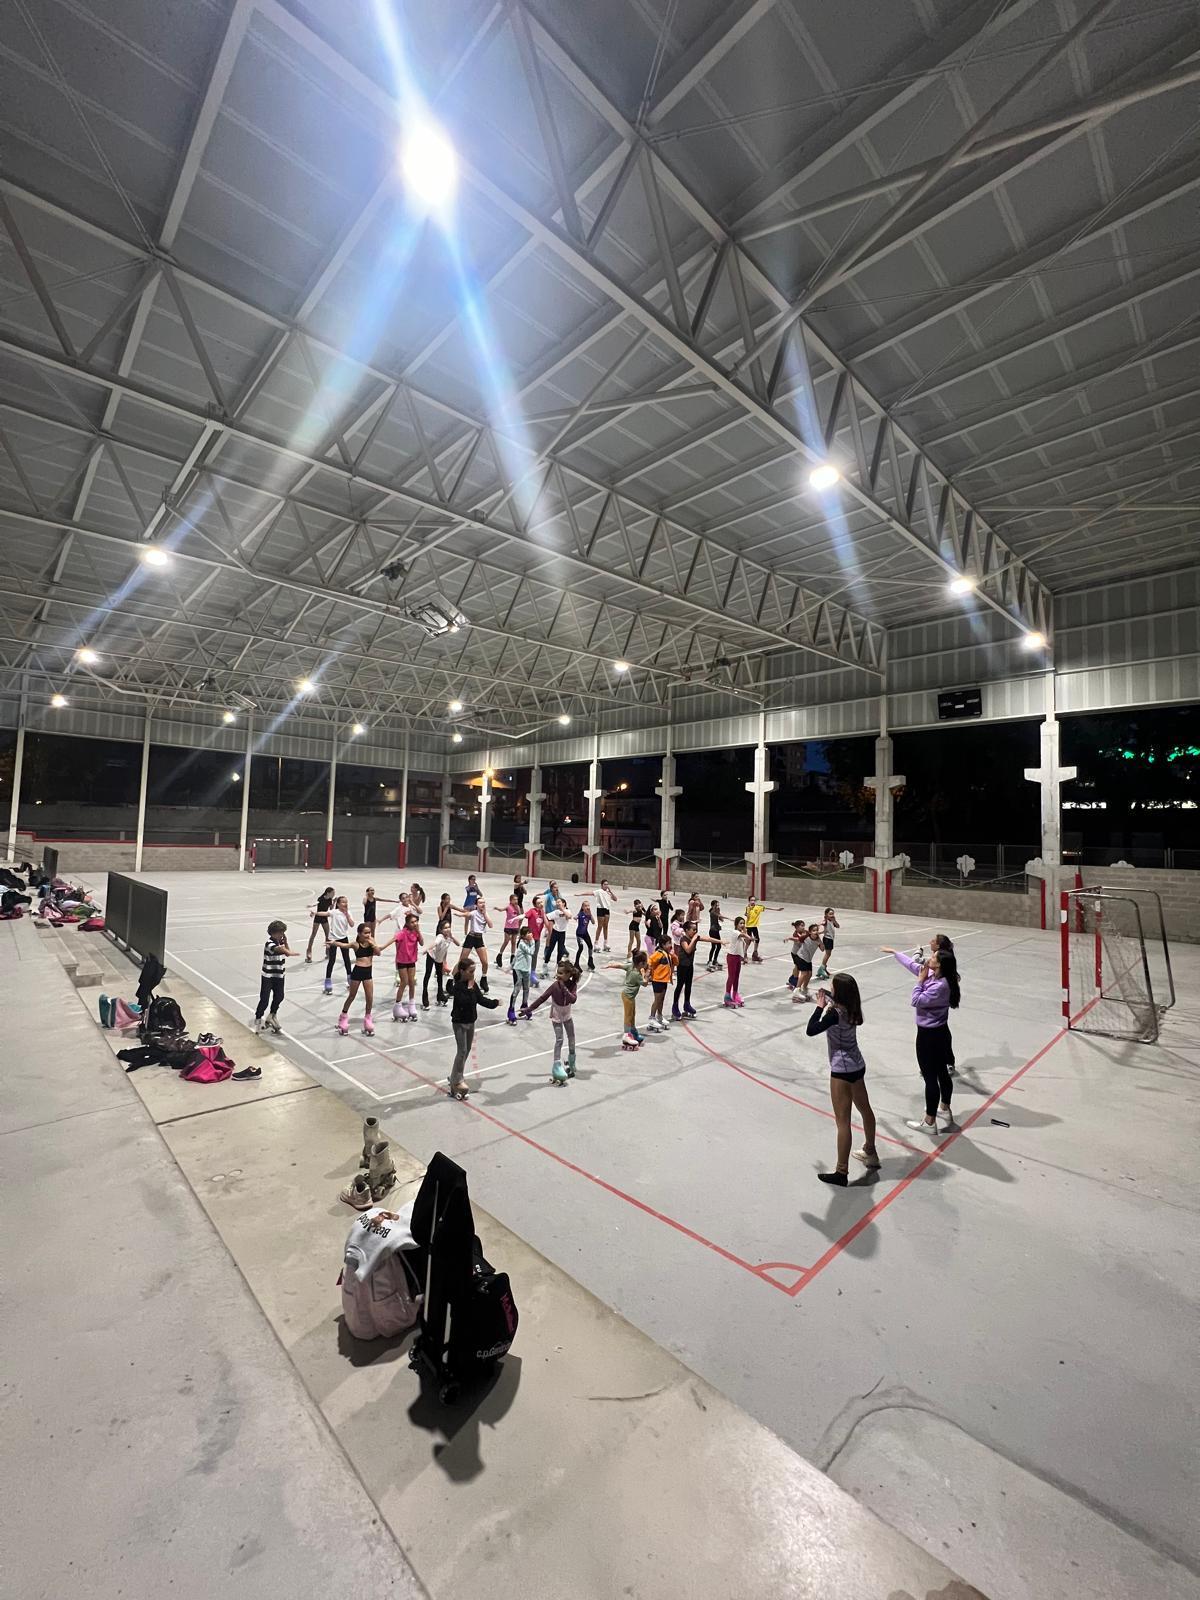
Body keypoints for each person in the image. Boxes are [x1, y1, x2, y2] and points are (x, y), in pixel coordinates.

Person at [805, 973, 879, 1185]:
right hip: (857, 1065)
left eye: (832, 986)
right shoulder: (851, 1007)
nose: (830, 987)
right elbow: (837, 1003)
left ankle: (841, 1172)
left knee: (843, 1121)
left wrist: (819, 1007)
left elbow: (811, 1030)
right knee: (865, 1109)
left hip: (842, 1070)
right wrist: (826, 998)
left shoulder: (834, 1013)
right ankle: (870, 1151)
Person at [882, 946, 961, 1134]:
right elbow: (913, 965)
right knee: (942, 1072)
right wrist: (895, 952)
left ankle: (930, 1121)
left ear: (940, 964)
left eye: (933, 956)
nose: (929, 958)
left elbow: (917, 1000)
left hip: (929, 1035)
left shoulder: (940, 986)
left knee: (931, 1077)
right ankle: (944, 1107)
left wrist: (919, 981)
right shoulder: (936, 975)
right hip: (939, 1033)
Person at [446, 955, 499, 1099]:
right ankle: (458, 1080)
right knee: (462, 1051)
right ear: (462, 971)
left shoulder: (472, 984)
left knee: (466, 1050)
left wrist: (494, 1003)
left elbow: (480, 999)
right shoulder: (458, 986)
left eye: (474, 971)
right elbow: (464, 1002)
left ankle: (454, 1076)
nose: (473, 974)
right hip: (459, 1022)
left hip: (471, 1022)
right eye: (470, 971)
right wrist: (470, 988)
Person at [529, 959, 580, 1082]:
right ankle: (556, 1066)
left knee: (572, 1038)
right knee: (560, 1039)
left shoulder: (572, 985)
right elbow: (542, 998)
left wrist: (564, 989)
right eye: (558, 972)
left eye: (561, 973)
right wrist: (529, 1009)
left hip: (567, 1014)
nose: (558, 975)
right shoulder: (554, 986)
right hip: (557, 1014)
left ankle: (572, 1062)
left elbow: (573, 999)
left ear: (568, 975)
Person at [333, 923, 384, 1036]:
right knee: (352, 996)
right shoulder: (356, 944)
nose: (368, 935)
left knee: (369, 997)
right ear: (360, 933)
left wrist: (373, 944)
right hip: (357, 972)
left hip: (368, 973)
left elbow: (379, 953)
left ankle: (368, 1018)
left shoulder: (372, 942)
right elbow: (344, 945)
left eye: (369, 932)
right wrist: (333, 943)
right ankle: (343, 1016)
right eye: (365, 933)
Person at [254, 919, 298, 1034]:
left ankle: (272, 1015)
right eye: (280, 932)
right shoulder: (270, 943)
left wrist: (286, 942)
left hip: (279, 974)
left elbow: (286, 951)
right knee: (264, 999)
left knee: (279, 996)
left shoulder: (281, 942)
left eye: (283, 932)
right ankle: (258, 1018)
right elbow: (281, 950)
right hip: (268, 975)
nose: (282, 934)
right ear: (273, 933)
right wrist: (288, 951)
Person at [671, 921, 720, 1020]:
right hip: (682, 966)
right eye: (693, 929)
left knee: (688, 985)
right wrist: (694, 939)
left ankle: (687, 1004)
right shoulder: (683, 939)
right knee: (680, 986)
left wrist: (720, 941)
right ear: (687, 930)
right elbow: (688, 950)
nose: (695, 931)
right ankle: (675, 1007)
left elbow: (707, 939)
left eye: (695, 929)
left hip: (689, 966)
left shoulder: (693, 938)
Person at [390, 910, 424, 1023]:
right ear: (408, 923)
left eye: (416, 921)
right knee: (404, 982)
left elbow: (422, 943)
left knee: (412, 982)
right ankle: (398, 1005)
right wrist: (380, 948)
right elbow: (393, 939)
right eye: (413, 922)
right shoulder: (402, 933)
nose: (415, 924)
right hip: (402, 961)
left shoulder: (416, 932)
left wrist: (419, 931)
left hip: (411, 961)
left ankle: (411, 1004)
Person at [454, 896, 494, 991]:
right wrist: (459, 914)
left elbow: (491, 925)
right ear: (476, 905)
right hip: (471, 937)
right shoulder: (474, 913)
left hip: (479, 939)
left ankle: (484, 979)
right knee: (461, 961)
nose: (482, 904)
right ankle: (452, 979)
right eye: (480, 903)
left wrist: (485, 914)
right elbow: (467, 914)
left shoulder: (485, 914)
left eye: (483, 902)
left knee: (485, 962)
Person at [422, 918, 457, 1009]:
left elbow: (458, 943)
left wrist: (452, 937)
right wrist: (427, 949)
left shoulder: (449, 938)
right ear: (441, 930)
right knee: (428, 975)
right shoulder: (440, 937)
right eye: (445, 928)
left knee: (440, 978)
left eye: (449, 927)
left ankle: (440, 996)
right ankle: (425, 997)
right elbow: (435, 943)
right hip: (432, 956)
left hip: (439, 959)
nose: (447, 929)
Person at [323, 895, 354, 994]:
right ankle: (328, 981)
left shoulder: (348, 913)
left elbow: (352, 924)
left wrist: (347, 915)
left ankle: (350, 979)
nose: (345, 904)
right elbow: (325, 913)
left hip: (344, 938)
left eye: (346, 902)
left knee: (346, 959)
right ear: (339, 904)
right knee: (332, 960)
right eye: (343, 902)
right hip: (333, 939)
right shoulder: (334, 912)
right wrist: (315, 913)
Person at [646, 936, 677, 1031]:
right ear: (663, 945)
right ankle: (652, 1017)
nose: (670, 945)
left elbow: (676, 963)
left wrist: (673, 955)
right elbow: (650, 961)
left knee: (661, 999)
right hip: (657, 980)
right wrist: (648, 973)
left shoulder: (668, 954)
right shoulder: (658, 954)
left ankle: (659, 1015)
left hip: (664, 980)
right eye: (668, 944)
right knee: (657, 999)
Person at [621, 949, 649, 1049]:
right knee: (628, 1015)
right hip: (628, 996)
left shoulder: (631, 967)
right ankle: (626, 1035)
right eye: (646, 962)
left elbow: (620, 965)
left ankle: (633, 1033)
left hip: (630, 996)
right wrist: (645, 974)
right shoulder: (637, 974)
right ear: (641, 963)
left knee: (632, 1014)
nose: (647, 964)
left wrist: (611, 965)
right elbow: (645, 983)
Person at [506, 924, 535, 1022]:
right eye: (528, 933)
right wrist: (532, 942)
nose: (531, 934)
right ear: (523, 935)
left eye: (530, 932)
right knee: (516, 990)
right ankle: (511, 1010)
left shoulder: (530, 941)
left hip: (526, 970)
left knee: (526, 989)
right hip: (518, 970)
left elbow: (517, 956)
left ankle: (525, 1006)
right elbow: (531, 952)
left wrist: (531, 941)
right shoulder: (522, 943)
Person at [789, 922, 822, 1002]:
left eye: (817, 930)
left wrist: (820, 943)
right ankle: (797, 990)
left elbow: (822, 949)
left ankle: (804, 988)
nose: (816, 932)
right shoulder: (806, 937)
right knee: (804, 973)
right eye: (814, 930)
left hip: (808, 959)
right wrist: (789, 938)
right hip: (801, 957)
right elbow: (797, 939)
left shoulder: (818, 939)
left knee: (809, 974)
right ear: (810, 932)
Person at [723, 916, 750, 1008]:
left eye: (743, 923)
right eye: (740, 923)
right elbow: (745, 936)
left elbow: (745, 942)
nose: (742, 925)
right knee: (731, 976)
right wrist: (749, 936)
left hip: (738, 957)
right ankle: (727, 997)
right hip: (732, 957)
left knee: (736, 977)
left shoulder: (741, 933)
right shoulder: (735, 932)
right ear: (736, 924)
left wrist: (743, 957)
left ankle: (735, 994)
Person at [306, 886, 334, 961]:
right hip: (318, 917)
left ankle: (327, 952)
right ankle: (309, 951)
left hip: (324, 918)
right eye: (332, 893)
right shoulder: (321, 898)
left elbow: (331, 909)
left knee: (328, 936)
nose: (333, 894)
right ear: (328, 893)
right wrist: (311, 906)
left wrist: (334, 902)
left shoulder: (330, 899)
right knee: (313, 934)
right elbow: (316, 903)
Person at [544, 892, 570, 968]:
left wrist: (562, 909)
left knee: (560, 950)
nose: (557, 903)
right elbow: (546, 916)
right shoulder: (556, 912)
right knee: (550, 949)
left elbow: (569, 916)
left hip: (562, 933)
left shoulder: (567, 911)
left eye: (559, 902)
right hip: (555, 932)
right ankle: (545, 964)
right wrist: (547, 925)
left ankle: (557, 966)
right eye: (557, 902)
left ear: (564, 903)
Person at [496, 894, 522, 969]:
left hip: (515, 927)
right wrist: (498, 908)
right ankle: (500, 955)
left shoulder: (518, 907)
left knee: (513, 942)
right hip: (508, 927)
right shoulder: (508, 907)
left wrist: (517, 908)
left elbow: (520, 915)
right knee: (506, 941)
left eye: (517, 899)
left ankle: (512, 957)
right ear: (510, 900)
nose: (516, 901)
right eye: (514, 899)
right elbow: (502, 909)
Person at [525, 894, 545, 987]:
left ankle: (532, 974)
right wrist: (516, 918)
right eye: (538, 903)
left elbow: (547, 924)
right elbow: (524, 915)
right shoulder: (532, 911)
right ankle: (527, 975)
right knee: (528, 956)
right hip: (529, 939)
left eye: (541, 902)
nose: (541, 904)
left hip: (537, 939)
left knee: (535, 956)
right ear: (535, 905)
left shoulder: (542, 913)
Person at [816, 907, 841, 981]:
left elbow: (838, 926)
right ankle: (822, 968)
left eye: (833, 913)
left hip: (830, 939)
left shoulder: (832, 921)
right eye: (830, 914)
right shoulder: (826, 921)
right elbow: (821, 924)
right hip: (827, 939)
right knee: (828, 954)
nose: (832, 915)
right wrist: (817, 928)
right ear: (826, 915)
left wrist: (834, 920)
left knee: (828, 954)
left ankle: (824, 968)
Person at [595, 878, 618, 952]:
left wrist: (610, 891)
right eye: (605, 884)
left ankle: (605, 943)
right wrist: (580, 894)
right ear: (601, 885)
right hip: (600, 909)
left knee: (606, 926)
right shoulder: (599, 891)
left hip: (607, 910)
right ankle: (596, 943)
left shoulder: (608, 892)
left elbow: (615, 899)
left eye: (607, 884)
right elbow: (590, 893)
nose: (606, 886)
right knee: (600, 926)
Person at [575, 897, 595, 970]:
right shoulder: (581, 913)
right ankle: (576, 963)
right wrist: (575, 917)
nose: (587, 907)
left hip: (585, 933)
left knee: (590, 946)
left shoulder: (588, 914)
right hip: (579, 934)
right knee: (581, 948)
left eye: (588, 905)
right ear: (582, 907)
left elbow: (593, 922)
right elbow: (576, 916)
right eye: (585, 906)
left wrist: (590, 914)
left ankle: (590, 961)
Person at [705, 899, 725, 971]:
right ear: (712, 906)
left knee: (719, 946)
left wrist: (721, 918)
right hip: (712, 931)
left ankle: (715, 960)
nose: (717, 906)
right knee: (713, 947)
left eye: (718, 905)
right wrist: (728, 918)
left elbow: (720, 917)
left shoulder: (717, 910)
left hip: (716, 930)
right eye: (716, 905)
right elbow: (719, 915)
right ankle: (709, 961)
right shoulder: (712, 912)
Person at [744, 897, 765, 962]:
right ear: (749, 901)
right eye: (751, 900)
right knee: (748, 941)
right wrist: (749, 909)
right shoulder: (748, 908)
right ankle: (744, 954)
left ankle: (755, 954)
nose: (753, 901)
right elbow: (748, 916)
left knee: (757, 939)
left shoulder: (758, 907)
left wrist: (777, 909)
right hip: (748, 926)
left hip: (754, 926)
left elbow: (767, 908)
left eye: (754, 900)